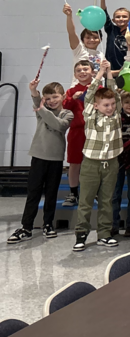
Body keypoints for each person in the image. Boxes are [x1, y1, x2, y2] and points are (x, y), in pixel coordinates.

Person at [8, 78, 72, 244]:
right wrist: (33, 91)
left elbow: (58, 125)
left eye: (55, 97)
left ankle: (48, 225)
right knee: (33, 194)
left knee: (51, 194)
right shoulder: (41, 110)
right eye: (47, 98)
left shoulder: (67, 114)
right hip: (38, 158)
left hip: (55, 160)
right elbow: (37, 100)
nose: (51, 101)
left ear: (63, 97)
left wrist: (41, 107)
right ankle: (26, 227)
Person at [73, 61, 123, 251]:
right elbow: (91, 93)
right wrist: (100, 71)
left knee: (106, 200)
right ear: (96, 105)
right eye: (105, 105)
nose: (109, 107)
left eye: (111, 104)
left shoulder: (116, 115)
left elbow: (115, 94)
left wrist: (109, 73)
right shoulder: (90, 115)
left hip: (111, 163)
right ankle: (81, 234)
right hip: (91, 164)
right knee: (85, 201)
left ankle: (104, 233)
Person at [62, 59, 94, 207]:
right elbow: (64, 108)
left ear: (92, 72)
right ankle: (73, 192)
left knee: (94, 163)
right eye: (79, 70)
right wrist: (72, 99)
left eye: (85, 69)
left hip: (95, 132)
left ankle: (94, 192)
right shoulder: (70, 92)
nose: (82, 72)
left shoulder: (98, 88)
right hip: (76, 132)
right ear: (75, 74)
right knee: (75, 163)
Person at [111, 89, 130, 238]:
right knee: (114, 194)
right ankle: (113, 225)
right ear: (121, 104)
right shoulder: (116, 118)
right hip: (117, 159)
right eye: (126, 102)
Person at [62, 3, 102, 72]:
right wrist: (69, 16)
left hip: (97, 83)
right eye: (88, 37)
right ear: (82, 40)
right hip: (79, 83)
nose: (92, 40)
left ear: (100, 40)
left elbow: (103, 73)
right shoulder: (79, 50)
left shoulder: (101, 54)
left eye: (95, 37)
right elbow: (71, 32)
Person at [97, 0, 129, 70]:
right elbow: (104, 13)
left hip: (127, 69)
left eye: (124, 17)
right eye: (118, 17)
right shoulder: (111, 29)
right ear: (113, 20)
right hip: (111, 70)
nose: (121, 18)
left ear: (129, 19)